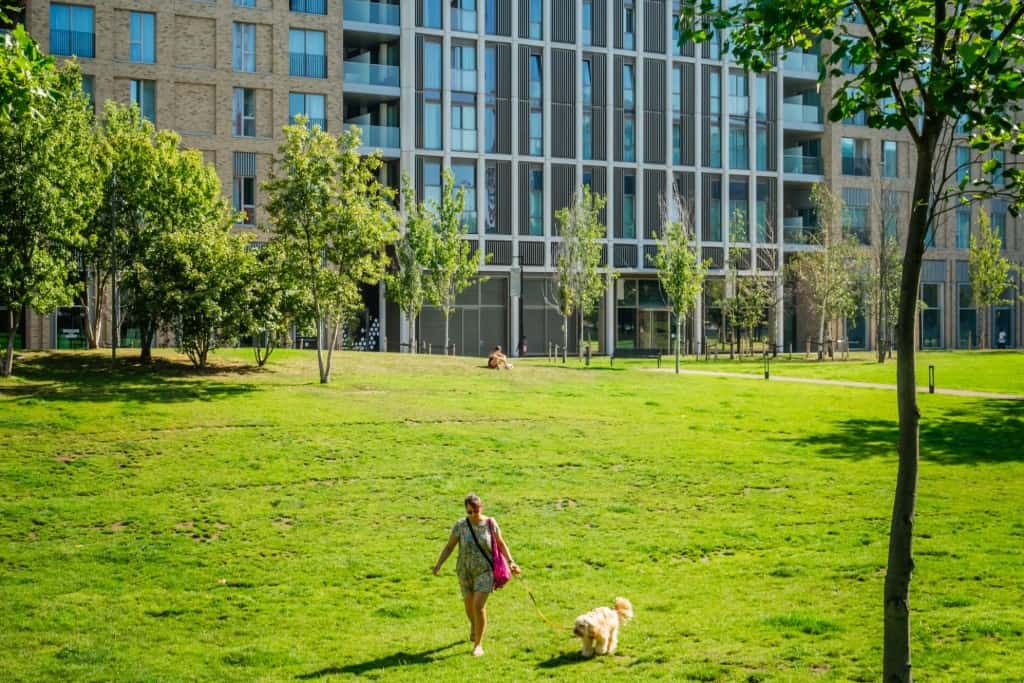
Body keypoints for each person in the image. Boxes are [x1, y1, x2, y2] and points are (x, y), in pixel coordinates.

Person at [432, 494, 521, 656]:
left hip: (485, 571)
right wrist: (439, 564)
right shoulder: (460, 525)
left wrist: (511, 562)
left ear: (482, 507)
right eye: (469, 512)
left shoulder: (490, 523)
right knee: (469, 605)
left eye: (476, 510)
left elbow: (501, 543)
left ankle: (478, 645)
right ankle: (473, 624)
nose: (473, 514)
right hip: (464, 571)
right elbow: (449, 547)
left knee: (478, 606)